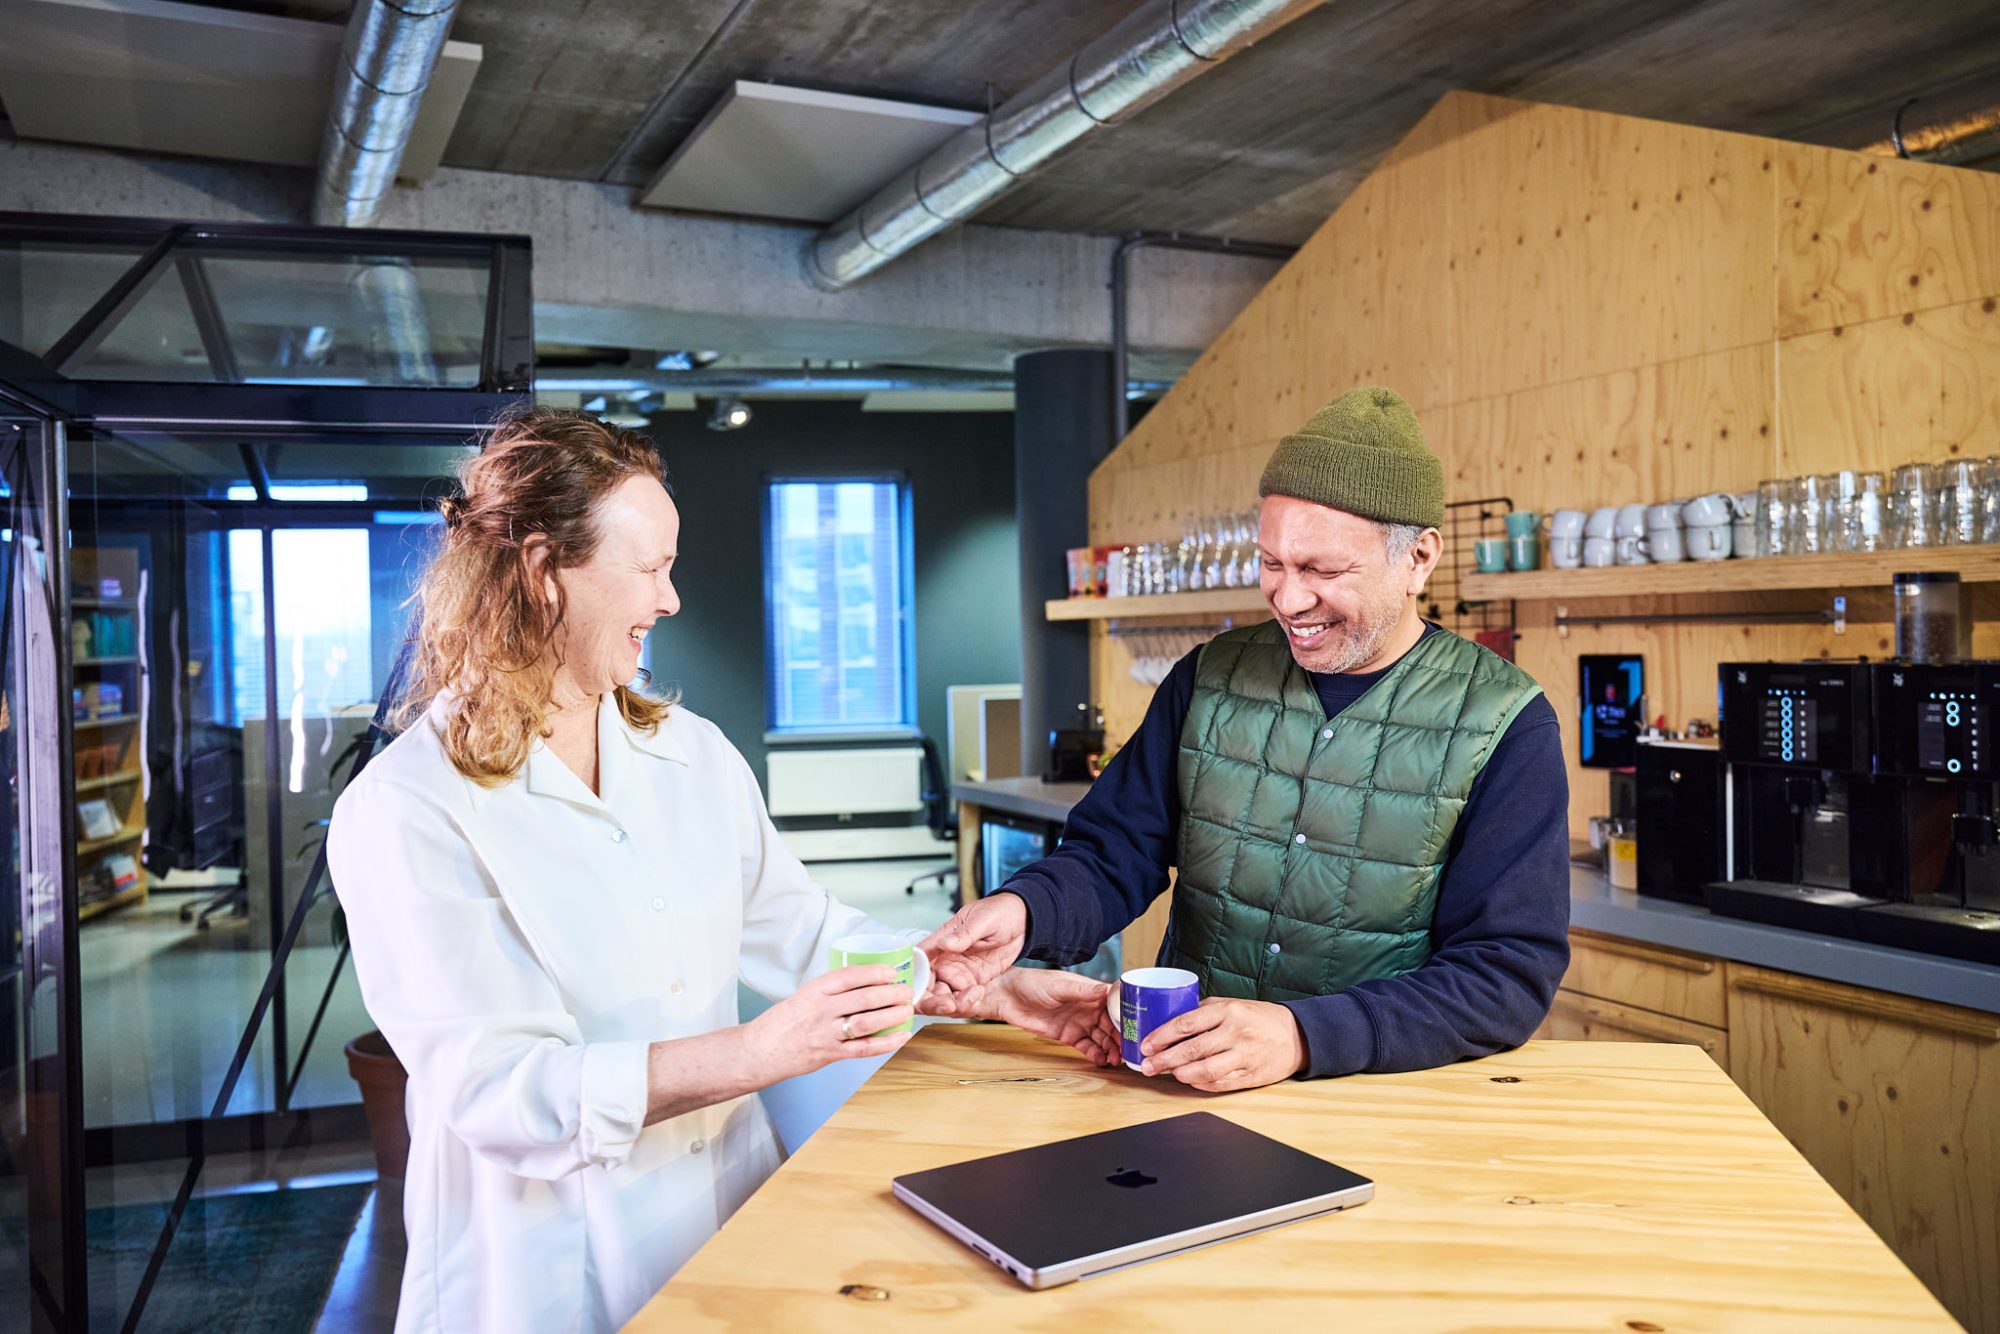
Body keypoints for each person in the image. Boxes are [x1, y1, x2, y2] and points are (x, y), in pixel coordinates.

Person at [326, 408, 1112, 1334]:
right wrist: (757, 1052)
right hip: (541, 1275)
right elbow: (499, 1092)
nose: (671, 600)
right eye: (650, 569)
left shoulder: (689, 754)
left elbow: (806, 935)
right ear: (542, 571)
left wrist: (994, 992)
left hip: (728, 1231)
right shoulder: (408, 807)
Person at [923, 386, 1570, 1093]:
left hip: (1388, 1099)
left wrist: (1303, 1035)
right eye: (1272, 564)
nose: (1289, 599)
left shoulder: (1507, 721)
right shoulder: (1209, 676)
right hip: (1192, 1080)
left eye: (1323, 570)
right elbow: (1115, 852)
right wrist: (1026, 911)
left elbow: (1504, 973)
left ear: (1418, 558)